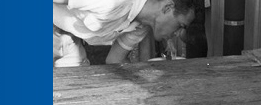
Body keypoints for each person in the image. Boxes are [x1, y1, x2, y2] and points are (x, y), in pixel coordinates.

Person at [52, 0, 198, 66]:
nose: (178, 34)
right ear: (167, 7)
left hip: (68, 38)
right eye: (180, 25)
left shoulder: (140, 27)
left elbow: (114, 60)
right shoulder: (115, 2)